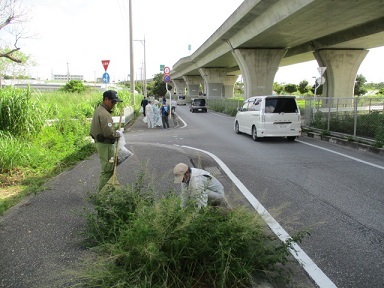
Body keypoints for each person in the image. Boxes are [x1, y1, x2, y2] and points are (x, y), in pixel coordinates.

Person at [90, 90, 123, 192]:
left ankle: (108, 191)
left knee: (108, 168)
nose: (114, 105)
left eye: (115, 103)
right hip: (106, 145)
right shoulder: (104, 114)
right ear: (106, 100)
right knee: (108, 169)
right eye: (113, 102)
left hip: (101, 143)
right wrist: (118, 133)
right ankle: (102, 194)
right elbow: (109, 133)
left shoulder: (99, 110)